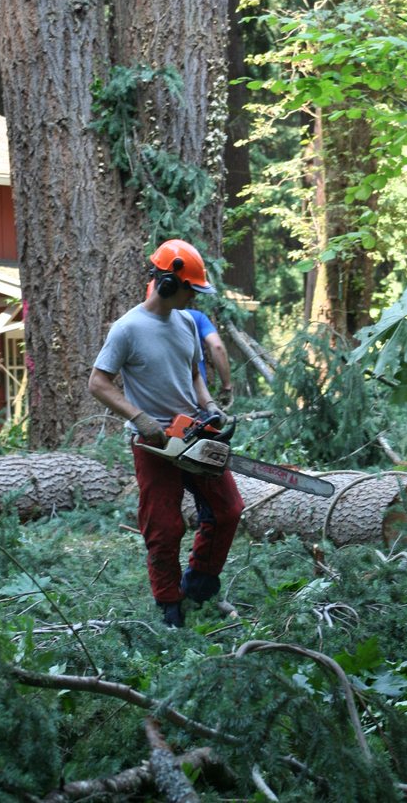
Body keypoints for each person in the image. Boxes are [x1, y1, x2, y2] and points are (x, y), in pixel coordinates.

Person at [88, 238, 244, 628]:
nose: (195, 299)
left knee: (228, 509)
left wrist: (208, 406)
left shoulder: (188, 323)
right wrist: (140, 418)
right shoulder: (127, 328)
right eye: (191, 289)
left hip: (193, 433)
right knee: (164, 527)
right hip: (153, 443)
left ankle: (200, 584)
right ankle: (169, 606)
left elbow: (194, 373)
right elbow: (98, 382)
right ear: (168, 284)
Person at [186, 307, 233, 409]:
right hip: (197, 395)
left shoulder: (146, 321)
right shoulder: (196, 317)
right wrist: (226, 386)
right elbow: (217, 347)